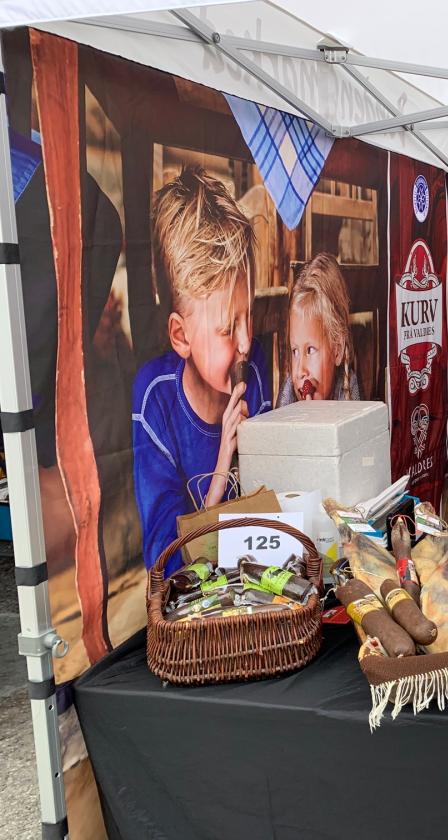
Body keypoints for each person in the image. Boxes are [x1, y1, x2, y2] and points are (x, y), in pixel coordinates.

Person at [131, 166, 271, 572]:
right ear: (181, 336)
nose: (245, 342)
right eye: (227, 329)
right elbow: (167, 564)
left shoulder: (255, 367)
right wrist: (224, 462)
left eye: (248, 317)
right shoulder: (155, 398)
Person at [277, 253, 360, 406]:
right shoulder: (287, 393)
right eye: (295, 351)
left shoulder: (348, 389)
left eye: (310, 350)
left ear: (337, 350)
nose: (300, 371)